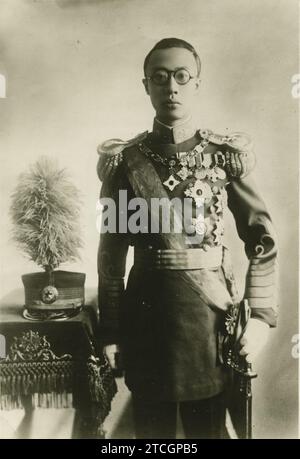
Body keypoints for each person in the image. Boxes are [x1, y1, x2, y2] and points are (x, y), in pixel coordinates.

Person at [96, 38, 278, 439]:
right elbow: (111, 254)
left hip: (207, 322)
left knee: (208, 430)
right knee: (152, 434)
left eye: (182, 76)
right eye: (160, 78)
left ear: (197, 83)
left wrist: (262, 316)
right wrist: (110, 330)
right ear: (146, 86)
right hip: (146, 321)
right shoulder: (124, 162)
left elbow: (262, 240)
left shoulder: (222, 155)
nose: (171, 87)